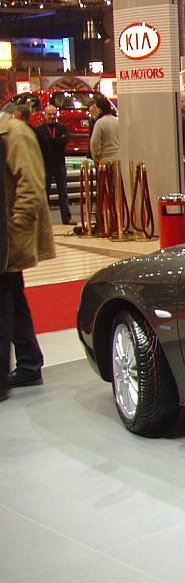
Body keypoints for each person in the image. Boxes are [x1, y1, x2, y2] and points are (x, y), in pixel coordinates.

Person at [0, 110, 55, 397]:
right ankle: (30, 364)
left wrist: (14, 230)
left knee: (5, 300)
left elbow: (31, 188)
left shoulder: (15, 134)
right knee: (12, 297)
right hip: (7, 237)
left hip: (9, 238)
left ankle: (19, 369)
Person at [35, 105, 72, 224]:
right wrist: (57, 141)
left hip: (60, 164)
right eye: (49, 114)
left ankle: (66, 218)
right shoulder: (39, 130)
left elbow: (65, 140)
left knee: (63, 193)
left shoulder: (62, 128)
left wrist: (51, 142)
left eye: (54, 114)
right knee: (44, 193)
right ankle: (43, 221)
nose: (52, 117)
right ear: (44, 115)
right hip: (45, 165)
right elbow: (43, 144)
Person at [89, 96, 119, 164]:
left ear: (99, 109)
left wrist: (95, 157)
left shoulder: (100, 122)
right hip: (119, 157)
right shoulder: (117, 121)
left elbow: (94, 142)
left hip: (105, 158)